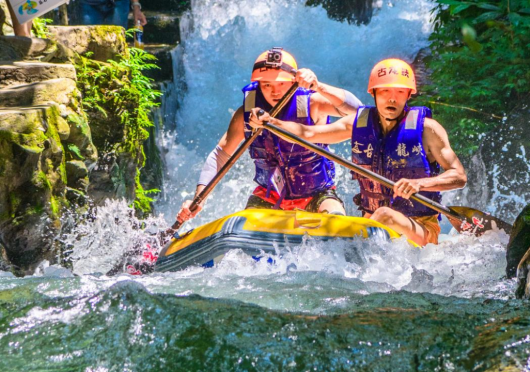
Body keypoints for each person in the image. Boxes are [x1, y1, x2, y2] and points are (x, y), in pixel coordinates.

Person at [248, 58, 467, 245]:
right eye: (385, 92)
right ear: (374, 93)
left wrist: (420, 184)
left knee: (385, 216)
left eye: (400, 92)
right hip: (370, 227)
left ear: (409, 95)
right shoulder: (358, 123)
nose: (392, 98)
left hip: (418, 228)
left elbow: (459, 176)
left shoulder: (428, 129)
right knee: (363, 221)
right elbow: (309, 134)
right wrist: (272, 122)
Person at [176, 47, 364, 223]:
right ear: (258, 85)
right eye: (267, 84)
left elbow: (359, 111)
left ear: (293, 82)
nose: (275, 91)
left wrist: (319, 86)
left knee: (336, 217)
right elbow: (220, 155)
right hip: (269, 195)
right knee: (244, 226)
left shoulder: (312, 103)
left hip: (317, 194)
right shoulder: (246, 114)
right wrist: (199, 198)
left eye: (282, 84)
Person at [78, 0, 146, 30]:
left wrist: (136, 5)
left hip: (119, 4)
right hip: (89, 3)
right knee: (88, 44)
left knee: (117, 46)